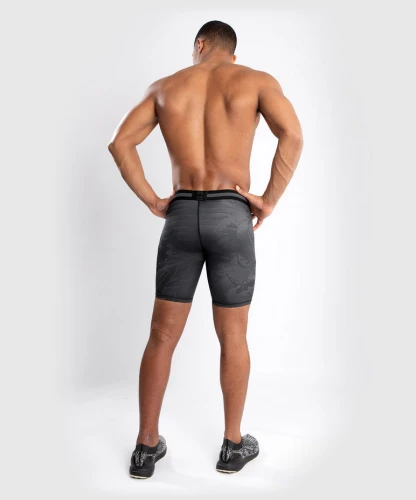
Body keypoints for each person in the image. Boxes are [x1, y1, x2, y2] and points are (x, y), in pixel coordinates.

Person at [108, 20, 303, 479]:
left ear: (199, 44)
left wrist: (154, 200)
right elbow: (292, 134)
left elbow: (120, 143)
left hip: (180, 219)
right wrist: (268, 200)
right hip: (231, 217)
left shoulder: (165, 87)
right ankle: (233, 445)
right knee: (233, 336)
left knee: (161, 336)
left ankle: (145, 447)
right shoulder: (256, 81)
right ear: (230, 52)